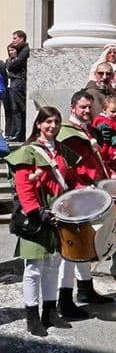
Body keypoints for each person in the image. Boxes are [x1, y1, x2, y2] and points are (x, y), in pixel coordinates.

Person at [5, 107, 80, 336]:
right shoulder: (28, 152)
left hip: (59, 216)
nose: (53, 126)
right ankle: (32, 317)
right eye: (48, 122)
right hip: (36, 218)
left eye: (56, 122)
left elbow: (72, 180)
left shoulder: (62, 150)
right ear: (38, 124)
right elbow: (24, 187)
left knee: (53, 265)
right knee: (34, 269)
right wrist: (39, 212)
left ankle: (49, 312)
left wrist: (72, 203)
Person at [55, 91, 115, 318]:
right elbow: (70, 169)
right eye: (82, 107)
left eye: (90, 107)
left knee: (84, 245)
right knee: (71, 250)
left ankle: (86, 289)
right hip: (74, 197)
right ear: (72, 107)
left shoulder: (88, 131)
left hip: (90, 194)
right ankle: (64, 300)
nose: (87, 111)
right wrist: (88, 185)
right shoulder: (67, 135)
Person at [91, 96, 116, 181]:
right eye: (112, 112)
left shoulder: (115, 122)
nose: (115, 114)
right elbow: (104, 141)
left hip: (114, 148)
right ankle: (115, 175)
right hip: (107, 149)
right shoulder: (102, 121)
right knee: (106, 164)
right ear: (104, 110)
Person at [5, 30, 30, 141]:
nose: (13, 41)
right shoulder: (19, 51)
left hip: (19, 83)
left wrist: (13, 59)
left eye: (15, 38)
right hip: (15, 83)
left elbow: (11, 66)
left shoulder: (24, 51)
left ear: (22, 38)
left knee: (18, 109)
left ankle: (19, 134)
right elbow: (9, 66)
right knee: (15, 109)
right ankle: (15, 133)